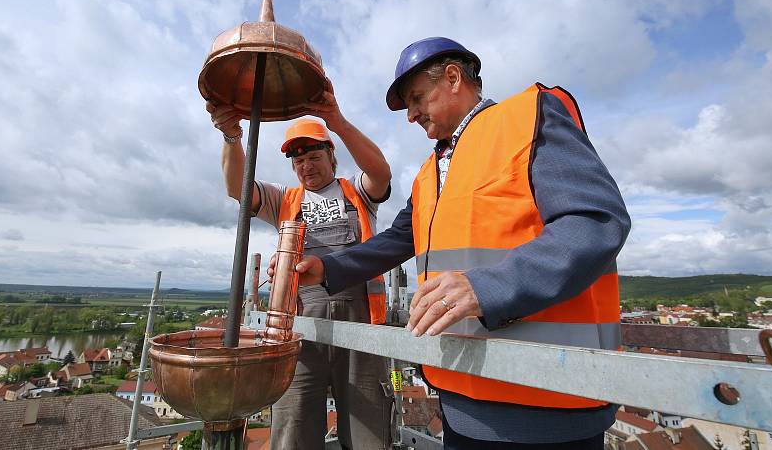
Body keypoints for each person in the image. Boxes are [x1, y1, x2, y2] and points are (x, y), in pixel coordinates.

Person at [270, 37, 631, 449]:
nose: (411, 116)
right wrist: (328, 269)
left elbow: (594, 222)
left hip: (547, 397)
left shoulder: (527, 117)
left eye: (417, 98)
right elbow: (396, 241)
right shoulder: (431, 171)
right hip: (462, 391)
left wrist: (487, 288)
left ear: (454, 78)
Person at [207, 81, 393, 450]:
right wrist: (231, 138)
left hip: (361, 323)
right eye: (298, 159)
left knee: (367, 428)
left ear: (331, 155)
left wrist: (337, 122)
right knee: (293, 425)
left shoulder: (357, 190)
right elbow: (236, 189)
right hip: (300, 324)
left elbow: (382, 174)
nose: (306, 165)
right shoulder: (284, 200)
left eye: (313, 155)